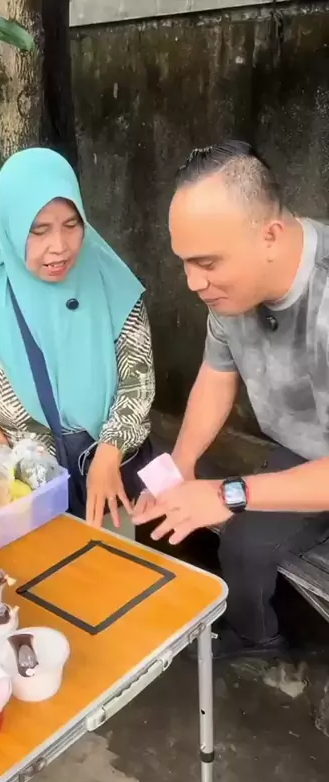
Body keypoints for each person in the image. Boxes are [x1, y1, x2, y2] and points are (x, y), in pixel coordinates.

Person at [135, 140, 329, 659]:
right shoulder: (230, 292)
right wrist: (181, 465)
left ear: (270, 236)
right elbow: (217, 375)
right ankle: (259, 639)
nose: (193, 282)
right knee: (242, 546)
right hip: (305, 453)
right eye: (185, 263)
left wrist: (226, 493)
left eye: (207, 263)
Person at [0, 147, 155, 529]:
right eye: (39, 231)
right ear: (11, 226)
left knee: (108, 561)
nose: (60, 246)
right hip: (21, 481)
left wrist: (110, 451)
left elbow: (138, 381)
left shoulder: (113, 284)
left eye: (71, 224)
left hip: (110, 473)